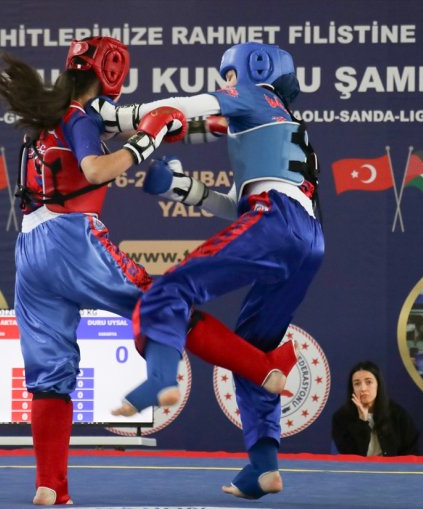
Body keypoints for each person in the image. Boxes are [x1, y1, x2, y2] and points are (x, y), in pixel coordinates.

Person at [0, 37, 302, 506]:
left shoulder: (44, 121)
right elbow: (96, 170)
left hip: (29, 254)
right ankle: (264, 370)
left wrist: (167, 129)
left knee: (50, 373)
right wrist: (145, 143)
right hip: (72, 240)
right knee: (163, 303)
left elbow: (160, 124)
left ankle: (50, 485)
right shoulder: (79, 115)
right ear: (111, 74)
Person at [90, 42, 323, 500]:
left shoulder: (256, 95)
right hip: (307, 237)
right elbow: (238, 205)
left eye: (229, 75)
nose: (226, 83)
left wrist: (120, 118)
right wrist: (181, 188)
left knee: (168, 289)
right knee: (254, 352)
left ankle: (160, 376)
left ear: (254, 69)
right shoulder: (281, 124)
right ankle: (264, 466)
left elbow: (190, 107)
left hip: (275, 219)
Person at [331, 361, 420, 456]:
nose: (363, 388)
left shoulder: (397, 414)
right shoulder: (341, 418)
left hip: (391, 469)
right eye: (357, 384)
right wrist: (362, 422)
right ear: (352, 388)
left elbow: (411, 452)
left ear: (378, 384)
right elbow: (350, 456)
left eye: (368, 382)